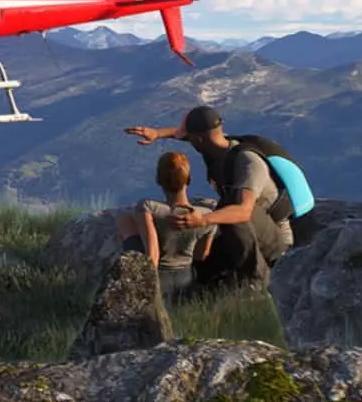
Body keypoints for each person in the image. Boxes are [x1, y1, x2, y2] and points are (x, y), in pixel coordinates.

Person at [123, 105, 292, 290]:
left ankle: (257, 282)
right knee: (206, 269)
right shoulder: (215, 146)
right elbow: (182, 134)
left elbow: (244, 211)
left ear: (199, 139)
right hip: (244, 232)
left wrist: (203, 220)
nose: (189, 142)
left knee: (229, 206)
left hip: (273, 238)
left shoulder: (248, 162)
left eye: (191, 139)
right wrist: (157, 133)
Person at [115, 151, 216, 299]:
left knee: (123, 218)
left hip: (161, 277)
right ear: (188, 180)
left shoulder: (148, 207)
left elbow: (152, 253)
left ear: (158, 179)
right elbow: (201, 255)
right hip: (186, 276)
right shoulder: (206, 215)